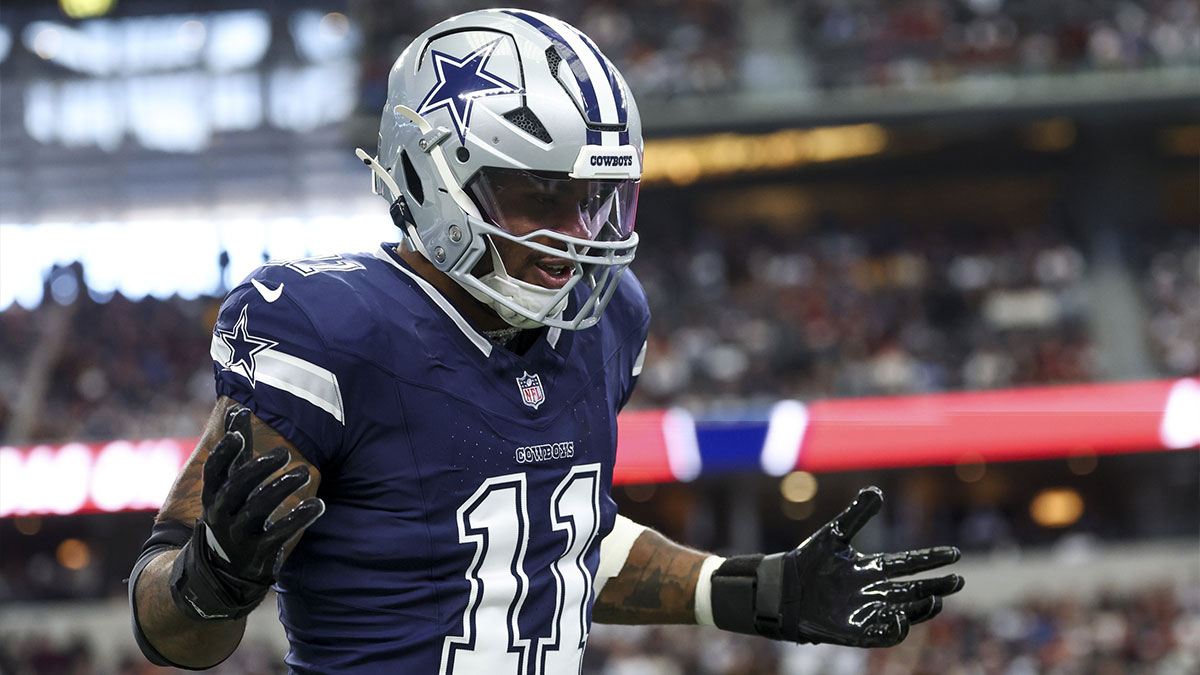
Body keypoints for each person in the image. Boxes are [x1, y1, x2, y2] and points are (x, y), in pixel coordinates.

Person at [128, 9, 963, 673]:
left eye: (595, 200)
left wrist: (752, 589)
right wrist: (215, 576)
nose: (578, 234)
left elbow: (558, 540)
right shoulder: (328, 330)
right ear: (430, 173)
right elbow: (169, 631)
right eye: (538, 194)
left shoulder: (607, 319)